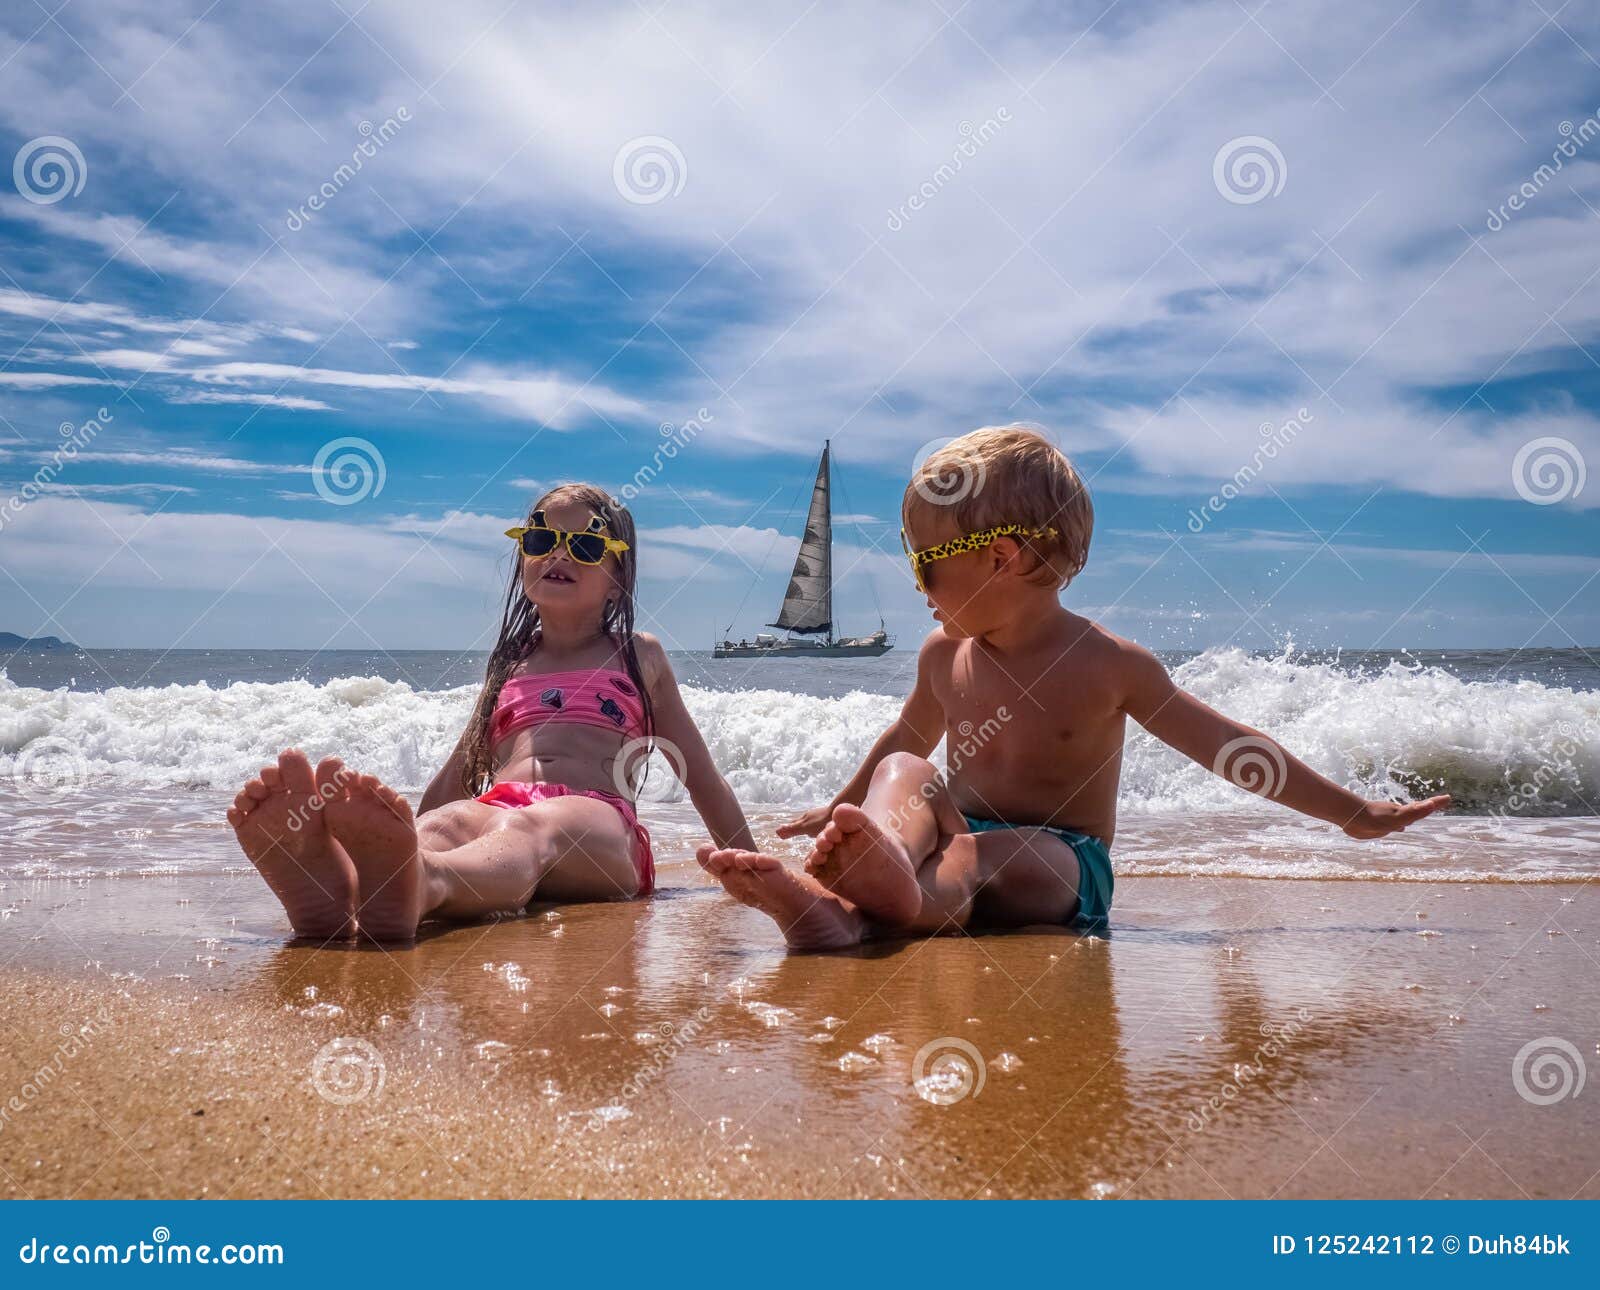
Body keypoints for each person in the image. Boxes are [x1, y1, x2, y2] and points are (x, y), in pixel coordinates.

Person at [698, 426, 1449, 949]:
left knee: (987, 861)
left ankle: (863, 912)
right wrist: (846, 806)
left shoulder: (1108, 665)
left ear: (1003, 558)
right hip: (957, 837)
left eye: (925, 562)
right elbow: (902, 743)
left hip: (1063, 864)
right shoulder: (941, 653)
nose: (916, 581)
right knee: (908, 776)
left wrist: (1352, 812)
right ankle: (872, 888)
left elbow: (1227, 749)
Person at [230, 483, 753, 943]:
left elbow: (701, 777)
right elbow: (460, 772)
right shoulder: (510, 664)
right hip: (499, 806)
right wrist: (410, 833)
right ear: (524, 556)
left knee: (535, 827)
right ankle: (343, 895)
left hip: (599, 825)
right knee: (452, 822)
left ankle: (424, 884)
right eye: (543, 540)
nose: (560, 555)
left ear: (618, 577)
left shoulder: (639, 656)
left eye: (586, 545)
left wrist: (750, 868)